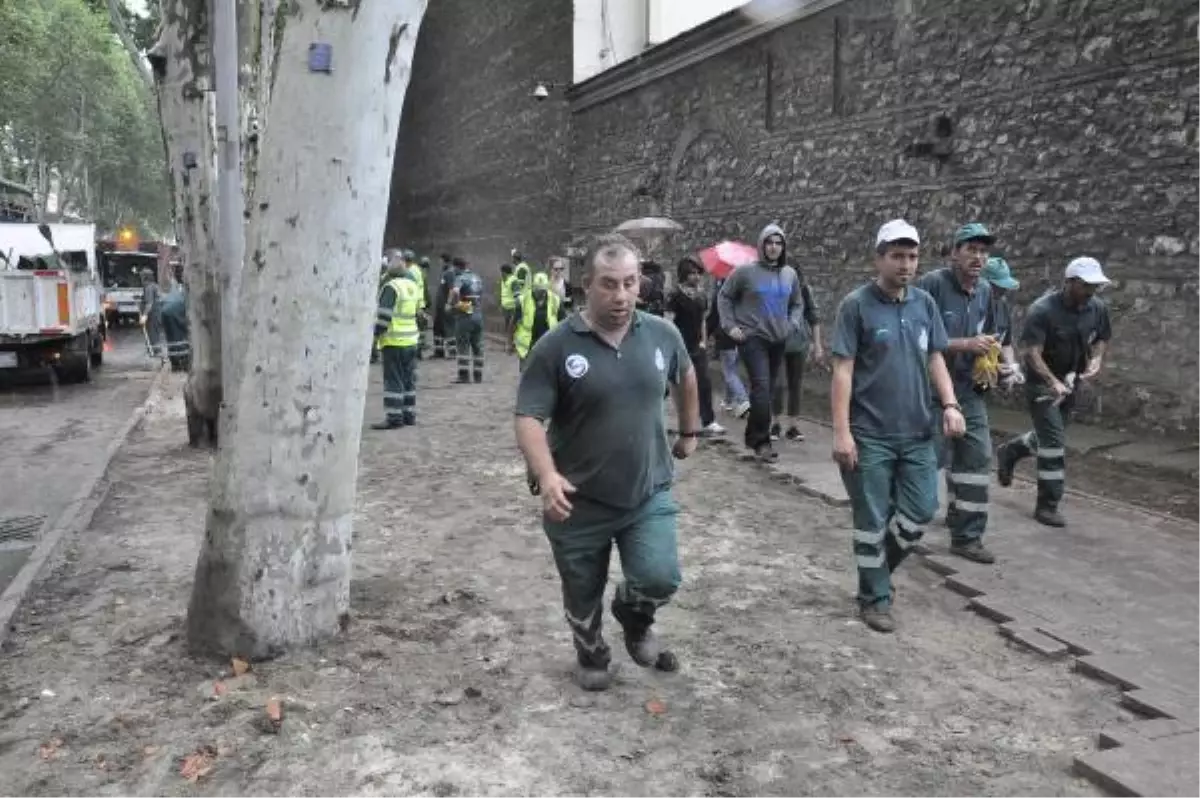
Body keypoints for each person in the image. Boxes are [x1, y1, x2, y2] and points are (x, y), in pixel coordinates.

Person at [514, 232, 700, 691]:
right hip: (577, 500)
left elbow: (687, 373)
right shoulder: (556, 347)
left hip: (646, 490)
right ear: (586, 285)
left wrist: (689, 430)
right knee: (582, 593)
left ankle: (635, 619)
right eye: (609, 284)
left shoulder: (662, 334)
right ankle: (592, 651)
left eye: (630, 283)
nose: (621, 295)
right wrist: (547, 474)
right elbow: (529, 418)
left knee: (660, 575)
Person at [830, 219, 966, 634]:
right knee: (871, 518)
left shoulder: (924, 304)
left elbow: (935, 358)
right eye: (897, 256)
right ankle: (875, 598)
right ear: (879, 258)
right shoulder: (856, 306)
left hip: (918, 431)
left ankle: (876, 573)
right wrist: (841, 432)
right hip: (869, 434)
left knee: (922, 508)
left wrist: (950, 403)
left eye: (912, 256)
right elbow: (843, 371)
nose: (906, 264)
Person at [995, 257, 1113, 528]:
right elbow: (1031, 353)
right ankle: (1047, 505)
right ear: (1069, 282)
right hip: (1042, 383)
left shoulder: (1096, 308)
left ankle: (1011, 451)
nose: (1091, 291)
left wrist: (1095, 360)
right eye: (1086, 286)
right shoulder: (1043, 310)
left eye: (1095, 286)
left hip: (1072, 379)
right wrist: (1051, 381)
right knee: (1054, 444)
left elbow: (1102, 338)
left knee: (1052, 434)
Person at [915, 222, 1003, 564]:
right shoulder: (932, 286)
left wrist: (996, 364)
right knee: (926, 461)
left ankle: (967, 537)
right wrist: (965, 344)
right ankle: (899, 525)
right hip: (929, 391)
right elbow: (917, 341)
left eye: (984, 251)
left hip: (969, 391)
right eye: (971, 249)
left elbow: (992, 336)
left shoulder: (984, 293)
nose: (979, 257)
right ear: (955, 253)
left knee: (977, 458)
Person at [717, 223, 807, 462]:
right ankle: (762, 442)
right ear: (762, 245)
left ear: (783, 247)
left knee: (768, 389)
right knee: (762, 388)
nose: (774, 247)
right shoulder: (745, 272)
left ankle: (753, 436)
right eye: (769, 242)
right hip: (752, 338)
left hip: (778, 339)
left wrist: (793, 324)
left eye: (778, 243)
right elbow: (724, 296)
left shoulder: (790, 274)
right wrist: (730, 326)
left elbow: (798, 302)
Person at [669, 256, 726, 436]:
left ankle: (708, 420)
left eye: (698, 273)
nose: (696, 277)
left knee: (704, 382)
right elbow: (669, 320)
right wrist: (670, 343)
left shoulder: (701, 295)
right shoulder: (675, 295)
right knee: (672, 384)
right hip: (678, 344)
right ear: (683, 274)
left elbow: (702, 319)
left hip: (696, 345)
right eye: (692, 273)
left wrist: (703, 340)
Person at [770, 266, 824, 442]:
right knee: (777, 385)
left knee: (796, 385)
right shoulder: (772, 290)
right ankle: (775, 423)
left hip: (799, 344)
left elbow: (813, 317)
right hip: (776, 343)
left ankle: (793, 426)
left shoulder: (804, 291)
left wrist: (817, 345)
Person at [371, 256, 421, 429]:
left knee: (393, 379)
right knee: (409, 379)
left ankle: (394, 417)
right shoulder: (412, 286)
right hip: (411, 339)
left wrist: (375, 335)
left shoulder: (391, 288)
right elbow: (418, 313)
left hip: (394, 340)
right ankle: (409, 414)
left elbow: (384, 316)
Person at [707, 276, 750, 418]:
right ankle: (728, 400)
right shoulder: (745, 293)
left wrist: (706, 334)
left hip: (727, 336)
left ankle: (743, 400)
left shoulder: (721, 295)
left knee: (729, 372)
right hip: (744, 336)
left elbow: (713, 316)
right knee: (732, 368)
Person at [513, 271, 567, 369]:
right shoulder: (523, 300)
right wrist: (510, 342)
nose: (541, 293)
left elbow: (563, 323)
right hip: (528, 343)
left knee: (546, 371)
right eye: (538, 290)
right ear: (533, 288)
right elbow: (514, 322)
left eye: (543, 290)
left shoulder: (555, 300)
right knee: (527, 372)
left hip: (548, 342)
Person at [447, 257, 486, 383]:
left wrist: (453, 304)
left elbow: (455, 291)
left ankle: (464, 375)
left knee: (463, 345)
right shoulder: (477, 278)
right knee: (478, 345)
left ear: (457, 267)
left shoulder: (460, 278)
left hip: (465, 315)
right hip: (478, 314)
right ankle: (478, 375)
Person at [433, 253, 457, 359]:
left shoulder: (450, 273)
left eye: (440, 260)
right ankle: (439, 352)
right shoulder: (444, 273)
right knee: (437, 329)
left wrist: (448, 303)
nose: (439, 263)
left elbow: (452, 289)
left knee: (449, 329)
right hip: (440, 307)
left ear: (443, 261)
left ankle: (453, 352)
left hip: (446, 307)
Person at [139, 267, 163, 358]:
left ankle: (156, 353)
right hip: (155, 314)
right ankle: (154, 352)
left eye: (141, 276)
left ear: (145, 277)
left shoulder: (149, 287)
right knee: (153, 334)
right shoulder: (153, 286)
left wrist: (144, 315)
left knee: (153, 334)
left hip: (153, 314)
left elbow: (149, 303)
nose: (140, 279)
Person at [499, 264, 519, 353]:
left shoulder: (513, 281)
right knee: (508, 327)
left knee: (513, 327)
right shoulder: (504, 280)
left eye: (501, 272)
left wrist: (518, 308)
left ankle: (511, 346)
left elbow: (517, 296)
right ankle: (510, 345)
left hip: (513, 308)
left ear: (504, 272)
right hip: (506, 308)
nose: (500, 274)